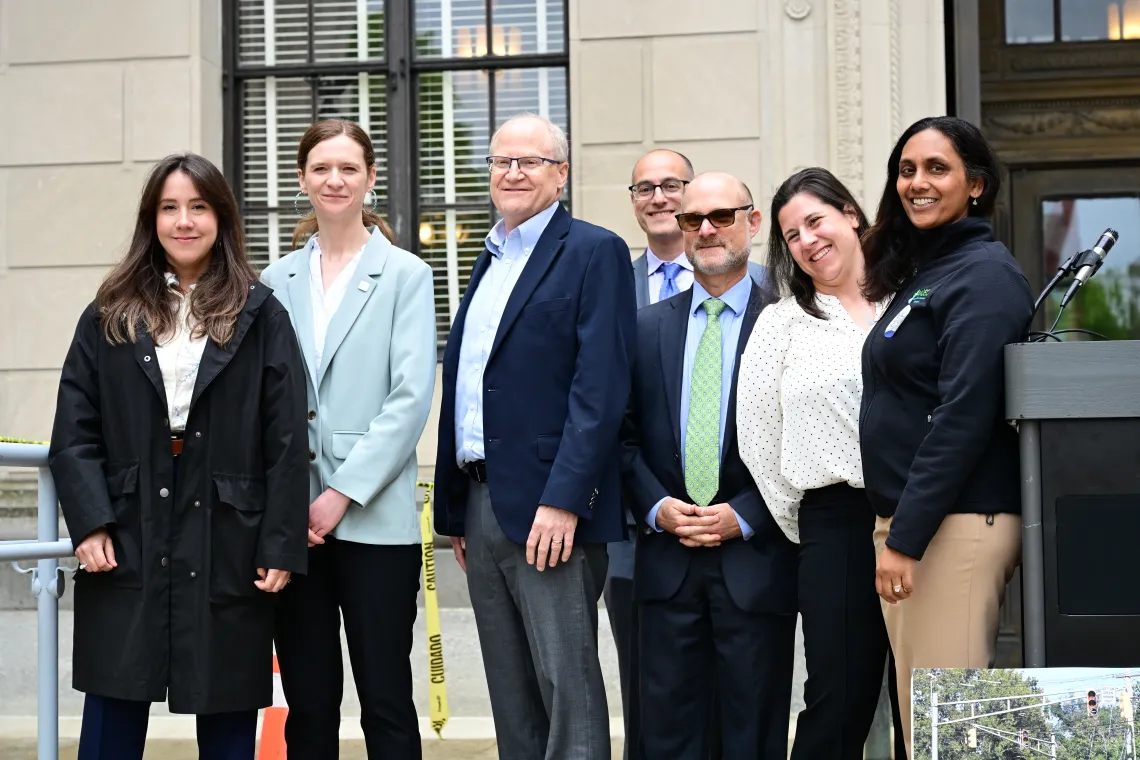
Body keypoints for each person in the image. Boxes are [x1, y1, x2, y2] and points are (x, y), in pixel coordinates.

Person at [48, 153, 309, 760]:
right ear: (151, 219)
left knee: (227, 707)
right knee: (113, 703)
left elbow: (287, 438)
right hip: (128, 526)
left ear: (221, 216)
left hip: (229, 535)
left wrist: (279, 543)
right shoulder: (109, 313)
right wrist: (88, 521)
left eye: (198, 206)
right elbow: (74, 429)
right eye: (169, 208)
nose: (183, 221)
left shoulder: (260, 312)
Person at [433, 112, 637, 759]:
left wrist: (565, 498)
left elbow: (600, 388)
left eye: (529, 161)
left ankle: (961, 736)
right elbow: (472, 387)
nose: (512, 172)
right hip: (483, 502)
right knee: (512, 696)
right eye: (501, 161)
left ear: (562, 174)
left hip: (551, 508)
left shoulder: (592, 251)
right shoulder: (489, 259)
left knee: (565, 690)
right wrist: (455, 511)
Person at [262, 119, 437, 759]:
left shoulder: (406, 275)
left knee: (385, 697)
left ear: (369, 178)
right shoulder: (273, 281)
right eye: (321, 168)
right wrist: (284, 505)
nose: (334, 180)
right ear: (302, 178)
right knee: (307, 704)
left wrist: (339, 493)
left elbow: (409, 399)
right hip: (291, 526)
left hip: (374, 520)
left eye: (348, 168)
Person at [859, 116, 1032, 757]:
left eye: (937, 169)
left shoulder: (983, 276)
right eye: (907, 170)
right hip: (920, 524)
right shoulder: (932, 273)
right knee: (928, 727)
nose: (917, 183)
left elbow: (963, 415)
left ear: (977, 185)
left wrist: (904, 538)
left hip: (952, 528)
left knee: (951, 734)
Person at [621, 171, 798, 760]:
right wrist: (654, 507)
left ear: (752, 222)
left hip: (757, 561)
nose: (704, 230)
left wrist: (745, 515)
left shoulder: (793, 321)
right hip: (666, 564)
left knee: (753, 738)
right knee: (667, 738)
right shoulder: (643, 328)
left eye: (721, 216)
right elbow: (620, 439)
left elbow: (808, 438)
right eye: (692, 219)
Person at [736, 167, 890, 759]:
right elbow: (759, 440)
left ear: (850, 214)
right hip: (835, 521)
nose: (806, 240)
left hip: (928, 511)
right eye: (791, 234)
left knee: (927, 686)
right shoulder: (782, 323)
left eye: (814, 220)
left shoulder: (913, 297)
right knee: (838, 693)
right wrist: (810, 523)